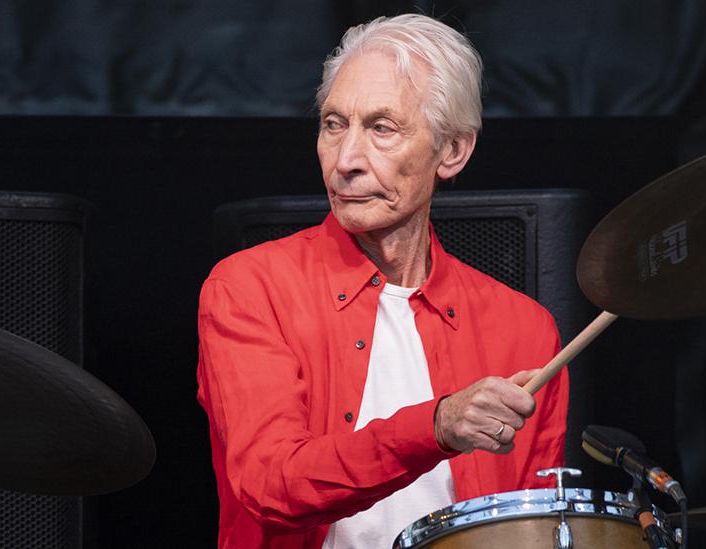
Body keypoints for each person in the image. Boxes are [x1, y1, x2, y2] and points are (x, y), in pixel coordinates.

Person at [196, 13, 568, 549]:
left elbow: (531, 532)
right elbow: (271, 485)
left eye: (381, 128)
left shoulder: (525, 330)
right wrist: (436, 425)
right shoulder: (250, 288)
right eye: (333, 124)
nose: (346, 160)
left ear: (454, 150)